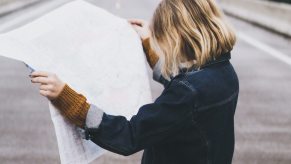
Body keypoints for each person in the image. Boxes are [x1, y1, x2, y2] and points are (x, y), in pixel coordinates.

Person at [30, 0, 239, 163]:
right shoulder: (223, 72)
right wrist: (148, 46)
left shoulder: (187, 94)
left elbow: (130, 135)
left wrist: (71, 101)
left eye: (164, 40)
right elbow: (186, 92)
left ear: (180, 38)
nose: (163, 47)